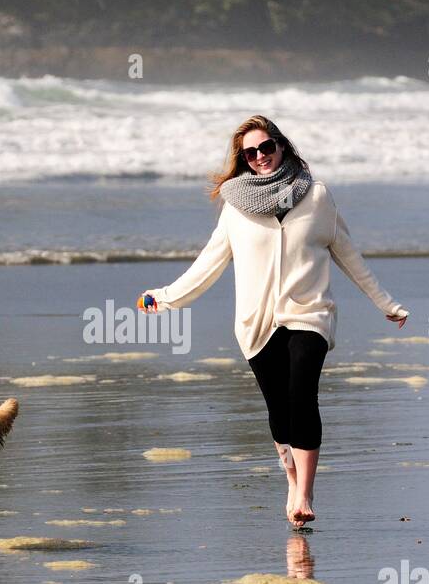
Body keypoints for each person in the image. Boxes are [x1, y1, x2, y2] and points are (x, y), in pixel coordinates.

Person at [140, 115, 409, 528]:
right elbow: (208, 265)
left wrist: (386, 303)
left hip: (309, 314)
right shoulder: (235, 208)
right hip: (256, 323)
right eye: (251, 152)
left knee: (302, 395)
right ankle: (290, 478)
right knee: (279, 412)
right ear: (243, 159)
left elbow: (348, 255)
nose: (261, 156)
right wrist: (166, 297)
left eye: (267, 147)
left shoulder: (317, 196)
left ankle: (305, 493)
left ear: (281, 146)